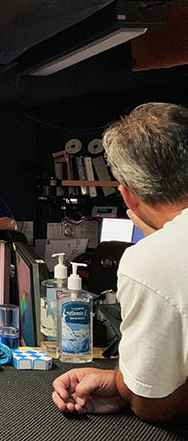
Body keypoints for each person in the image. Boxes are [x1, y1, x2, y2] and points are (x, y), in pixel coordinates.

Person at [52, 103, 188, 423]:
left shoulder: (152, 259)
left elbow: (152, 405)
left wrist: (126, 385)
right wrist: (120, 382)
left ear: (127, 196)